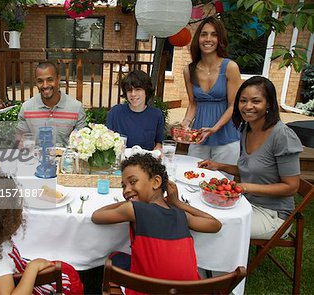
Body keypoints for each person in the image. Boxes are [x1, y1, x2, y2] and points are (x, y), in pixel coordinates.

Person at [91, 154, 221, 285]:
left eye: (133, 182)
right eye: (123, 186)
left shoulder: (132, 210)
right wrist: (178, 203)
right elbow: (215, 224)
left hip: (146, 290)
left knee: (115, 257)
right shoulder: (181, 214)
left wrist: (127, 203)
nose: (126, 190)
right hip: (187, 290)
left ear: (156, 182)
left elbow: (97, 216)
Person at [198, 76, 303, 239]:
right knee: (200, 214)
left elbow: (291, 187)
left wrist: (245, 187)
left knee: (212, 226)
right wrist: (218, 165)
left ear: (268, 103)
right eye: (243, 101)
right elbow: (252, 169)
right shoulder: (246, 129)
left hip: (273, 215)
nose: (248, 107)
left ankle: (221, 264)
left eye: (256, 101)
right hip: (245, 204)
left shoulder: (282, 135)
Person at [0, 175, 84, 294]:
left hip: (12, 278)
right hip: (27, 286)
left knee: (64, 269)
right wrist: (32, 268)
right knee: (69, 278)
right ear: (4, 221)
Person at [181, 16, 242, 168]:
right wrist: (186, 123)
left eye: (214, 34)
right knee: (194, 180)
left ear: (220, 39)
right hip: (199, 137)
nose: (208, 39)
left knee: (222, 184)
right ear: (198, 38)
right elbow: (193, 103)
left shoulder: (230, 67)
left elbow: (233, 105)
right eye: (204, 34)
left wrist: (215, 128)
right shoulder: (189, 70)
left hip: (226, 138)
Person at [16, 62, 86, 147]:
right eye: (40, 81)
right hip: (36, 158)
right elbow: (21, 140)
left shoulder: (76, 108)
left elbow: (82, 143)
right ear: (36, 82)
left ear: (58, 79)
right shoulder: (26, 108)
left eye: (50, 80)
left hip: (66, 159)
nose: (45, 85)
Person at [106, 70, 164, 151]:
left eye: (138, 89)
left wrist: (158, 149)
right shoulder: (116, 112)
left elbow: (159, 142)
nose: (133, 94)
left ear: (146, 91)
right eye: (129, 90)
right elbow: (107, 139)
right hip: (121, 160)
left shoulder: (156, 115)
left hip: (146, 160)